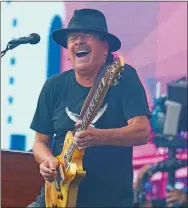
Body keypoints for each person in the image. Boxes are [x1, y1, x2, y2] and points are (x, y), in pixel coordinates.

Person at [28, 8, 151, 208]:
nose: (78, 41)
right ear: (68, 52)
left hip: (108, 201)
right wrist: (48, 161)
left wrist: (100, 136)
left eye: (86, 35)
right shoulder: (54, 86)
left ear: (105, 47)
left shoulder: (123, 77)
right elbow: (40, 142)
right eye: (72, 38)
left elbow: (142, 131)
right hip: (55, 198)